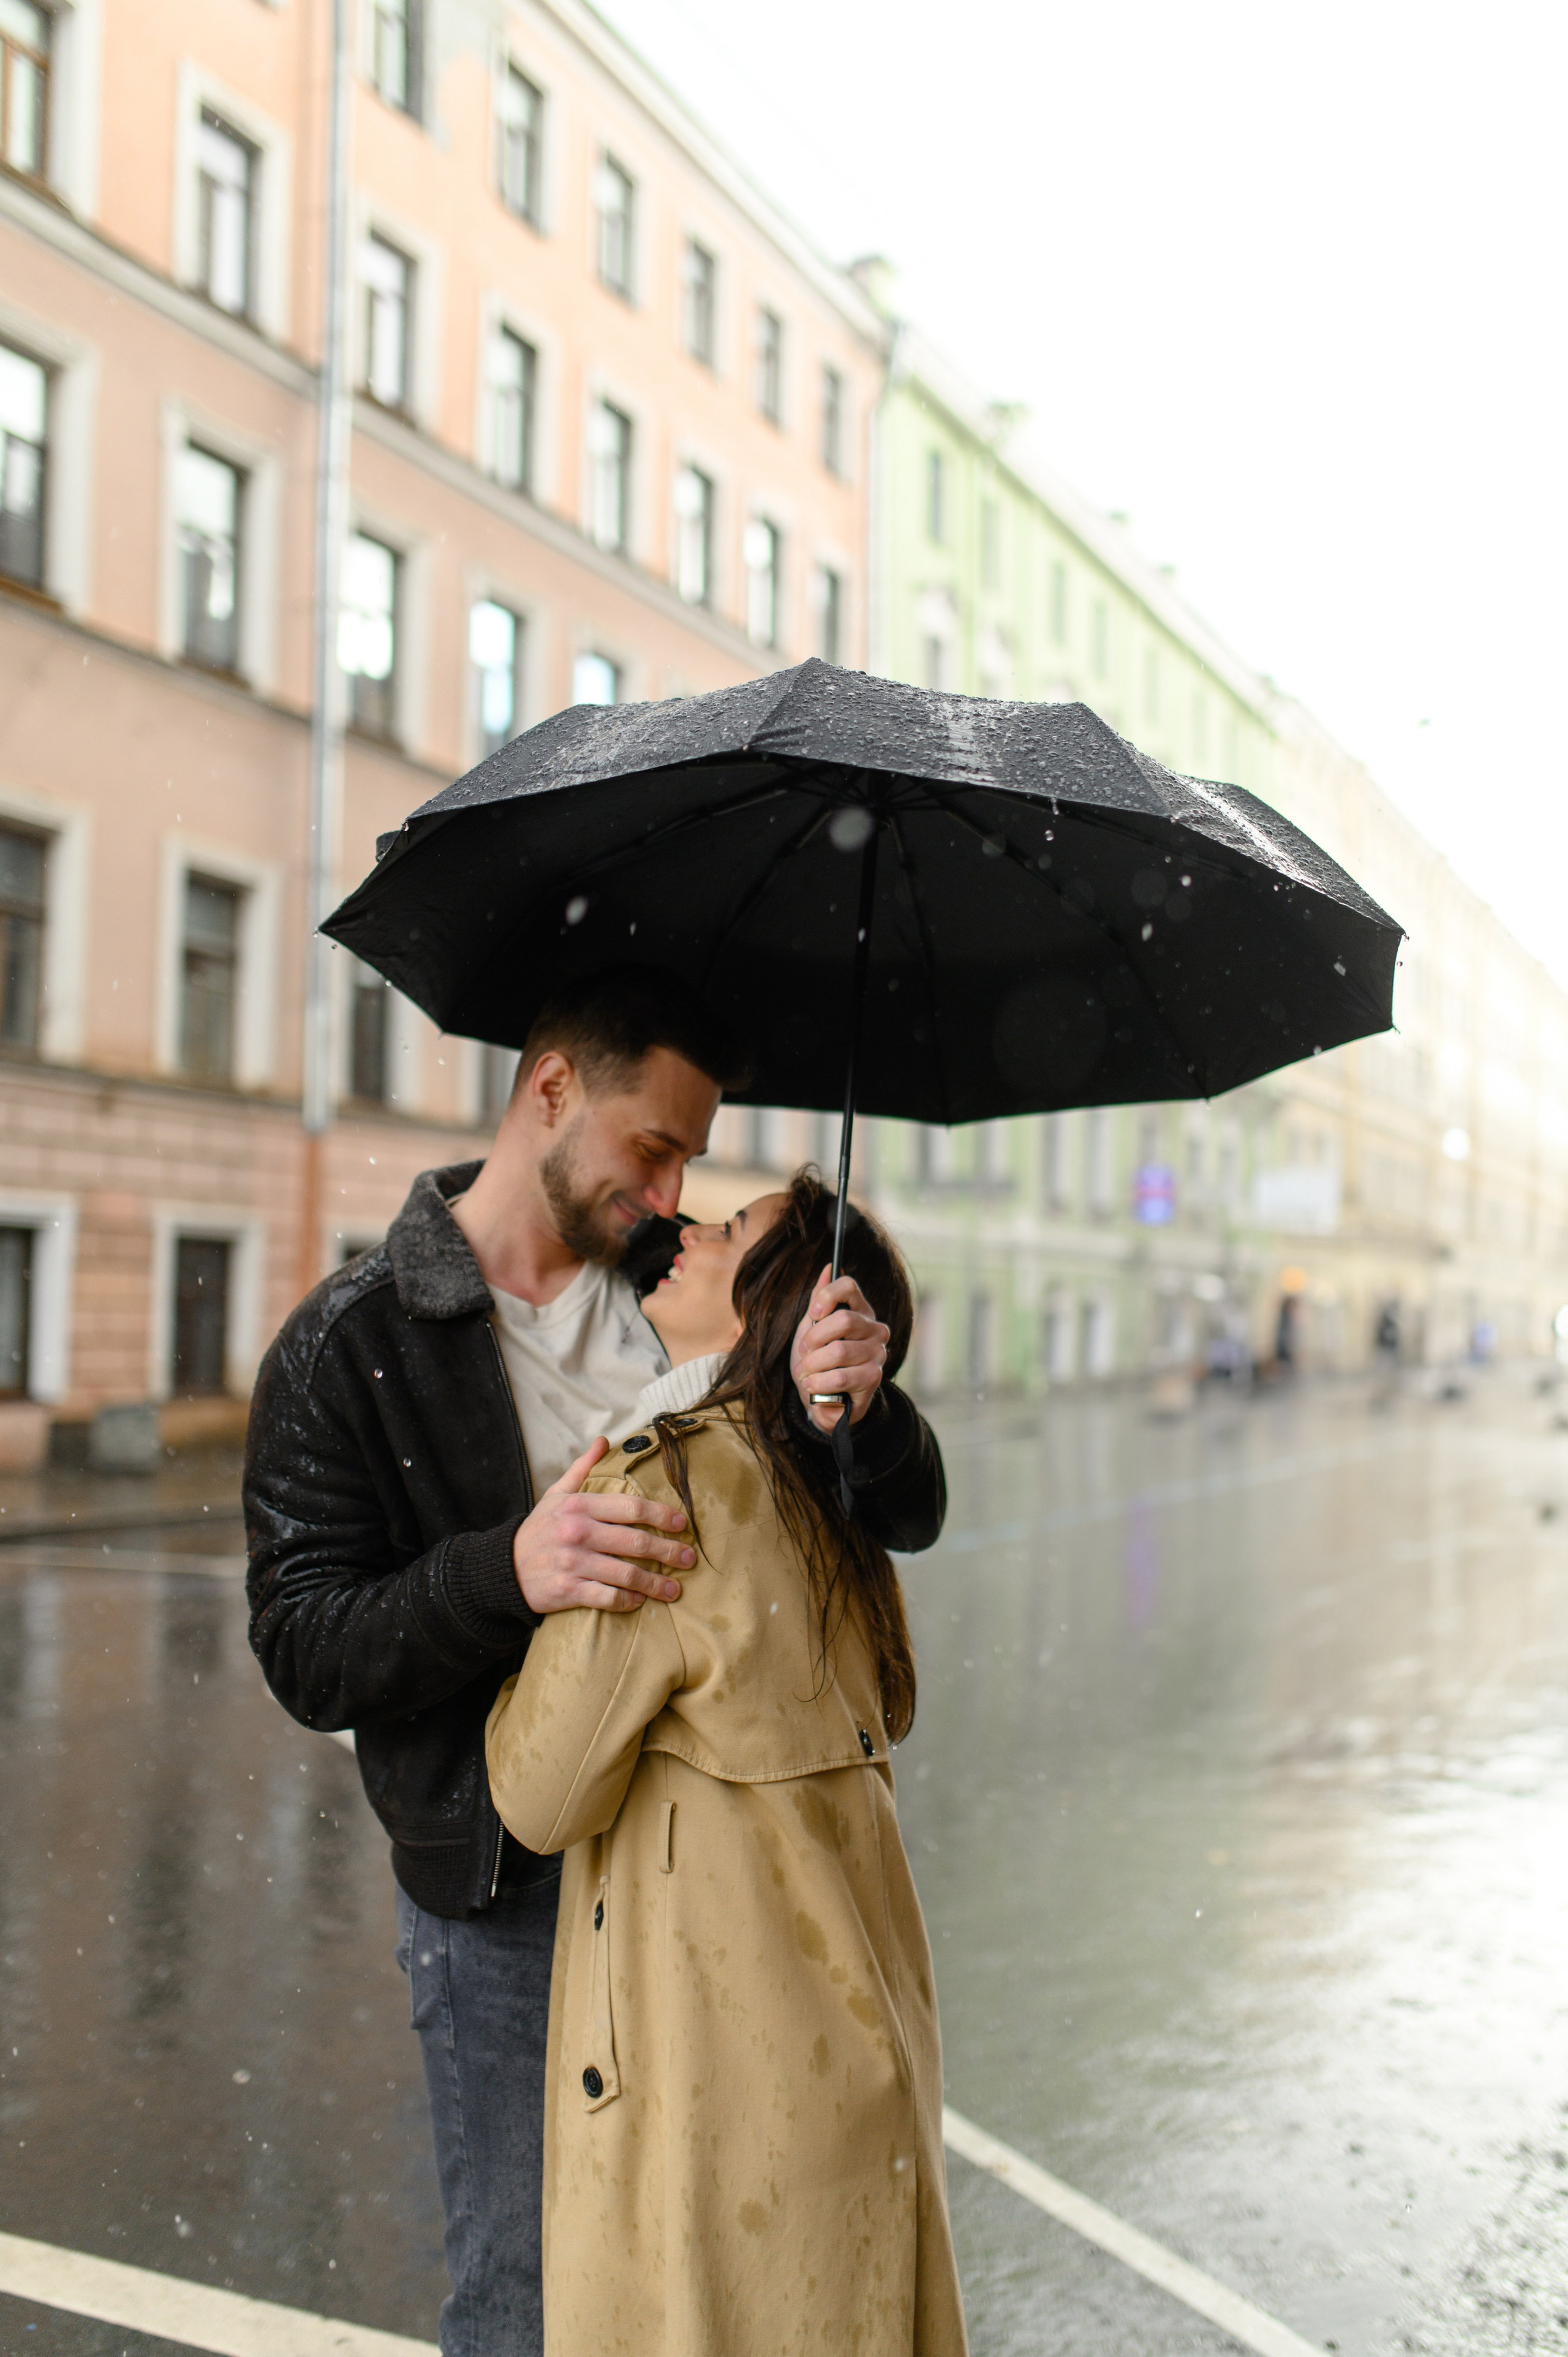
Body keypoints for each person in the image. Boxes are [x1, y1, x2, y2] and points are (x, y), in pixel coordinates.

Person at [243, 968, 946, 2357]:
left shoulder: (675, 1282)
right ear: (550, 1090)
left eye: (692, 1155)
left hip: (705, 1891)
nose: (674, 1188)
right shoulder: (355, 1340)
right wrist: (504, 1571)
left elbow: (896, 1508)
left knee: (697, 2284)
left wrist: (860, 1404)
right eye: (654, 1146)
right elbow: (306, 1646)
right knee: (533, 2292)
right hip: (503, 1894)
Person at [486, 1171, 967, 2356]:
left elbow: (538, 1796)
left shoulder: (661, 1487)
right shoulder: (832, 1508)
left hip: (722, 2091)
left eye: (730, 1229)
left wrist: (515, 1618)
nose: (686, 1232)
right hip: (863, 2058)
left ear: (778, 1303)